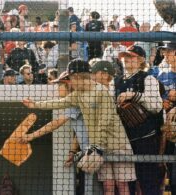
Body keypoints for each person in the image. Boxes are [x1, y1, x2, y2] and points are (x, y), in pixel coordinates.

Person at [22, 58, 136, 195]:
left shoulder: (101, 91)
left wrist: (97, 146)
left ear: (77, 77)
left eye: (71, 78)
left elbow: (105, 121)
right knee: (108, 186)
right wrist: (35, 104)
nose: (70, 83)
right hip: (99, 148)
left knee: (122, 185)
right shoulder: (78, 94)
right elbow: (60, 103)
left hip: (117, 145)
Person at [17, 71, 102, 194]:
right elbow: (79, 132)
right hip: (89, 154)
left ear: (69, 85)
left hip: (97, 152)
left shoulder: (77, 100)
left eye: (59, 85)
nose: (57, 88)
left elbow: (56, 123)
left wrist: (31, 136)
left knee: (99, 188)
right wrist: (73, 151)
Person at [116, 45, 164, 195]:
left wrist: (135, 96)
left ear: (141, 60)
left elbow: (157, 106)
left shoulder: (148, 79)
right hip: (123, 140)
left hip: (146, 138)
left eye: (131, 56)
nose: (127, 59)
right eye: (125, 57)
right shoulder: (116, 81)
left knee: (148, 182)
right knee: (126, 185)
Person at [156, 42, 176, 195]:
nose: (165, 55)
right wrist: (162, 101)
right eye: (165, 52)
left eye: (169, 52)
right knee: (170, 166)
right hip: (168, 129)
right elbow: (157, 100)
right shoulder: (162, 75)